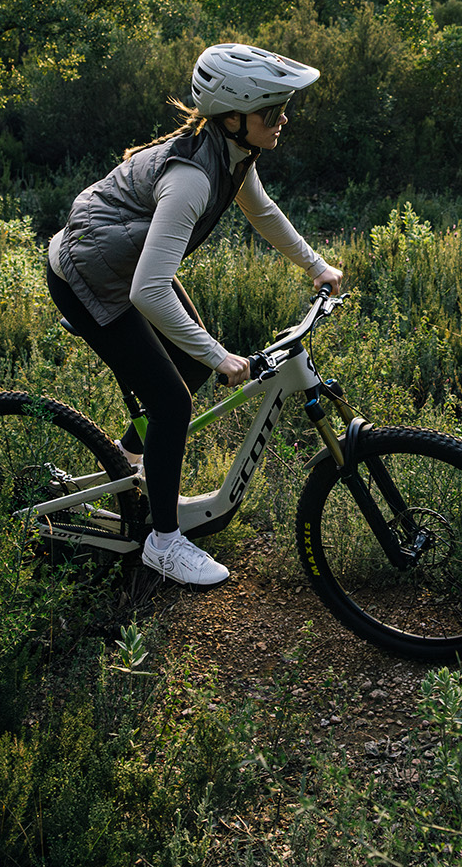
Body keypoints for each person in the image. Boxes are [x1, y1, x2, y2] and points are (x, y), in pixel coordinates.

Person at [46, 43, 343, 586]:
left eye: (282, 108)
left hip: (127, 263)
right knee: (172, 400)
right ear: (233, 117)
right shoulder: (192, 179)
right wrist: (220, 354)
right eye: (271, 111)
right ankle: (163, 543)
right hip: (89, 276)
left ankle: (128, 461)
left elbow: (262, 210)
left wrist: (315, 266)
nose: (283, 119)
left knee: (190, 367)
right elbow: (148, 292)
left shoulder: (231, 154)